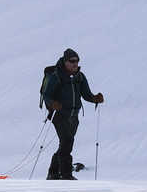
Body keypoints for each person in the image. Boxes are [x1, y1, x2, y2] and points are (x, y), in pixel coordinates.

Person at [41, 48, 103, 180]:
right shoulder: (56, 76)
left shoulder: (80, 77)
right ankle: (66, 175)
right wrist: (53, 103)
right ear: (65, 62)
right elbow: (46, 95)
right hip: (59, 115)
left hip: (74, 116)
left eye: (77, 61)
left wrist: (95, 99)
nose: (75, 64)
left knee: (65, 144)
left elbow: (86, 94)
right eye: (72, 61)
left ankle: (53, 173)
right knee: (67, 141)